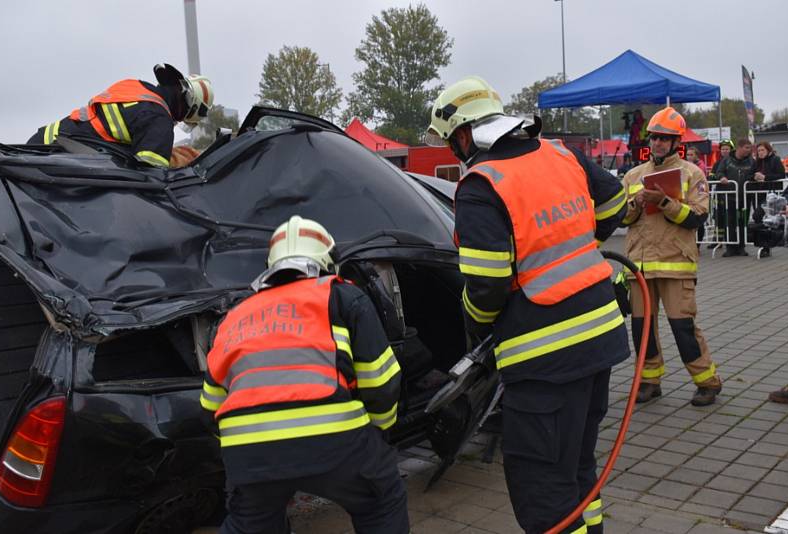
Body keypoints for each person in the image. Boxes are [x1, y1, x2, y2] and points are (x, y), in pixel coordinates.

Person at [426, 76, 629, 534]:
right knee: (576, 461)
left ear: (462, 134)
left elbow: (487, 285)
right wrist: (580, 243)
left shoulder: (481, 185)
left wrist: (475, 328)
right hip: (599, 340)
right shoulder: (558, 153)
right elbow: (615, 199)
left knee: (540, 483)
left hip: (544, 359)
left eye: (450, 141)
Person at [201, 216, 408, 534]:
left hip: (249, 451)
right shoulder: (342, 296)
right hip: (337, 443)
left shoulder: (234, 315)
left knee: (250, 524)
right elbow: (381, 381)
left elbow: (210, 405)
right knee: (381, 501)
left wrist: (244, 453)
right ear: (328, 260)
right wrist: (379, 433)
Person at [621, 107, 723, 407]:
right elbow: (622, 220)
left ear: (677, 141)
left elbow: (696, 218)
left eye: (665, 139)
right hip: (639, 266)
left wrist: (664, 202)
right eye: (654, 138)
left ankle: (708, 382)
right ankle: (650, 382)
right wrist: (635, 203)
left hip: (676, 264)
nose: (658, 144)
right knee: (642, 331)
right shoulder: (633, 175)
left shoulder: (692, 173)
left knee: (683, 328)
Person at [28, 63, 213, 168]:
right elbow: (149, 175)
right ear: (188, 103)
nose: (178, 120)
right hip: (56, 157)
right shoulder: (159, 118)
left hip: (40, 143)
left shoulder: (135, 87)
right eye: (183, 117)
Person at [715, 138, 755, 256]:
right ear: (739, 148)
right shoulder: (726, 160)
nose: (749, 150)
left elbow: (754, 174)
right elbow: (719, 172)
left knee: (743, 222)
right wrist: (721, 177)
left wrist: (756, 176)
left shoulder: (751, 161)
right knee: (730, 222)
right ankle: (730, 248)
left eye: (750, 148)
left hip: (745, 197)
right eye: (747, 148)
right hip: (729, 197)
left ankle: (741, 247)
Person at [749, 142, 786, 257]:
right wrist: (755, 177)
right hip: (759, 194)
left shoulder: (775, 160)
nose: (760, 153)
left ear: (768, 150)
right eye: (758, 150)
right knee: (760, 219)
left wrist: (765, 177)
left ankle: (768, 245)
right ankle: (765, 246)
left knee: (760, 216)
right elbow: (749, 175)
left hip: (771, 195)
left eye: (762, 150)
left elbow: (781, 175)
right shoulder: (757, 162)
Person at [707, 139, 735, 249]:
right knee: (718, 217)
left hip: (731, 194)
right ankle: (717, 240)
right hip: (719, 193)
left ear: (731, 150)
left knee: (730, 218)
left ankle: (730, 240)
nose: (724, 151)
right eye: (723, 149)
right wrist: (717, 177)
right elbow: (711, 176)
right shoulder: (717, 163)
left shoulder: (734, 162)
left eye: (727, 149)